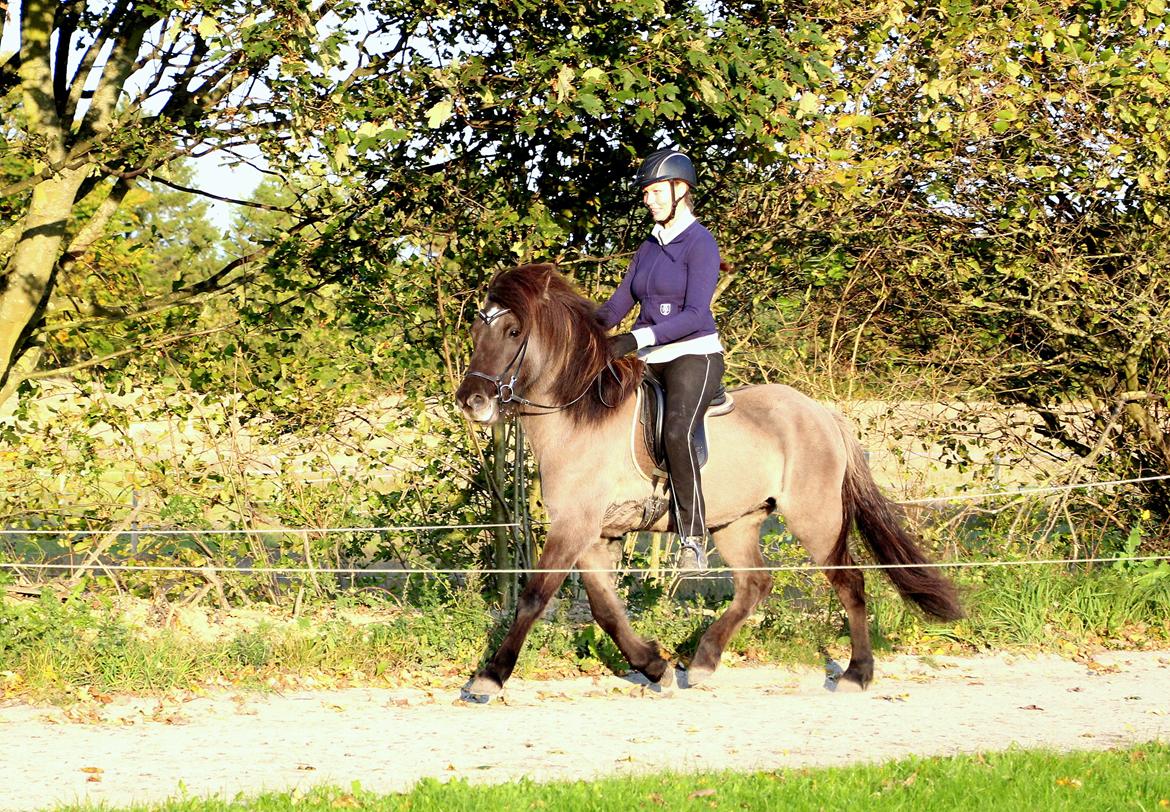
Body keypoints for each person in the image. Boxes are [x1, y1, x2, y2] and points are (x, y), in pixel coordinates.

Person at [596, 148, 725, 570]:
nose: (647, 200)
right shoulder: (649, 247)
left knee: (676, 431)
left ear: (680, 189)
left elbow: (695, 315)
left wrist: (634, 338)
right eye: (645, 193)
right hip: (649, 358)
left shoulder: (701, 243)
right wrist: (578, 329)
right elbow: (617, 305)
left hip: (693, 354)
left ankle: (693, 539)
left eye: (654, 192)